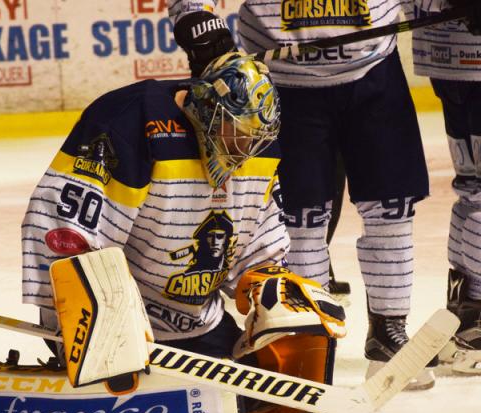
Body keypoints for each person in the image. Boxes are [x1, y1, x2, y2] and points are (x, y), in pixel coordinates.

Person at [22, 52, 345, 413]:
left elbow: (257, 237)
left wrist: (267, 281)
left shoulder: (254, 146)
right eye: (235, 133)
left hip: (194, 322)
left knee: (258, 389)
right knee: (99, 309)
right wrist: (86, 322)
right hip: (116, 321)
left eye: (253, 140)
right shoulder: (131, 119)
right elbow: (65, 229)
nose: (243, 151)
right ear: (206, 109)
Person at [169, 1, 436, 388]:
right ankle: (312, 339)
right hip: (286, 83)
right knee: (301, 221)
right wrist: (194, 15)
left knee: (392, 209)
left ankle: (388, 335)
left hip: (376, 73)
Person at [412, 0, 481, 368]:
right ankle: (470, 315)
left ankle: (469, 314)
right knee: (473, 185)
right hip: (456, 55)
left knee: (473, 186)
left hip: (447, 53)